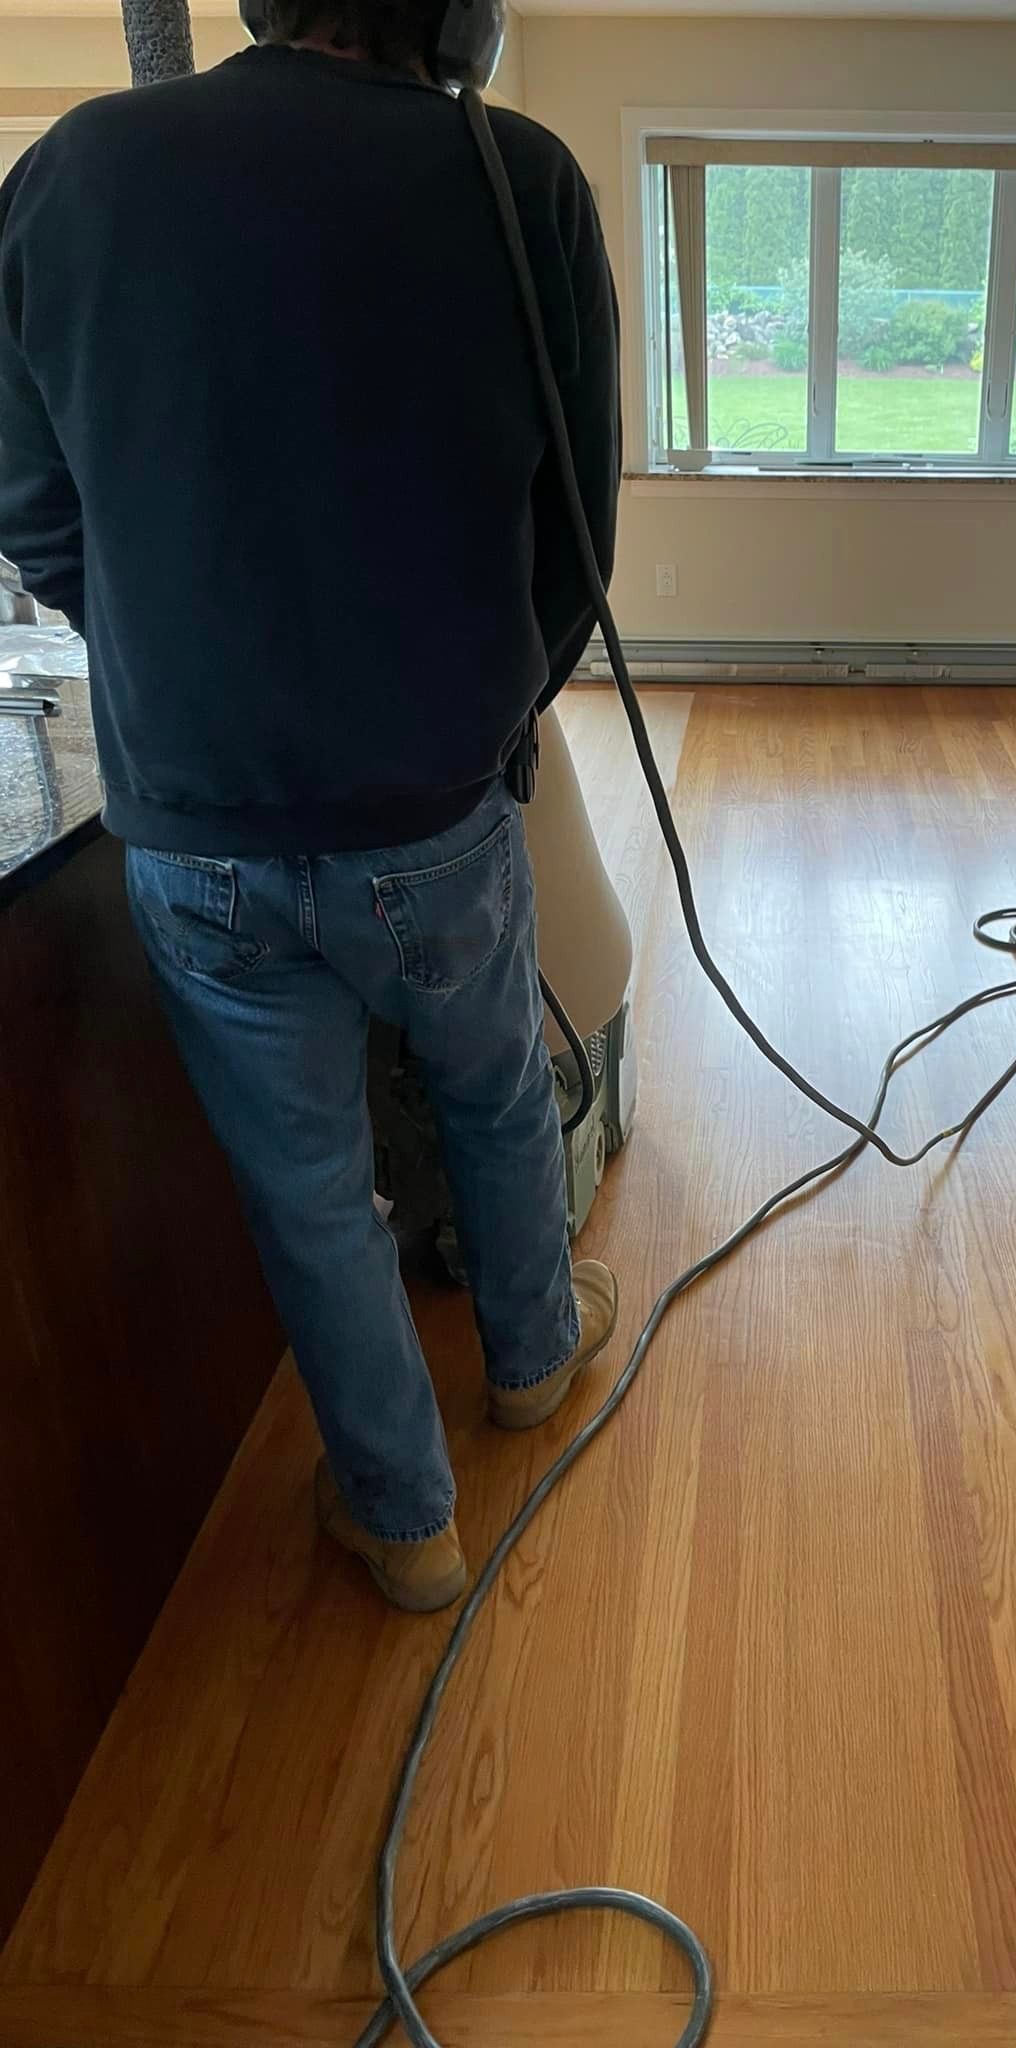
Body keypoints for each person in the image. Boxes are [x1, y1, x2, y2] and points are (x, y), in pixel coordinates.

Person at [0, 0, 623, 1613]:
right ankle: (536, 1360)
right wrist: (494, 712)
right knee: (491, 1091)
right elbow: (578, 547)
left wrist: (158, 653)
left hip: (194, 831)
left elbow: (30, 509)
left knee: (303, 1185)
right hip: (436, 812)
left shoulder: (73, 173)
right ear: (459, 13)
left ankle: (404, 1522)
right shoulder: (517, 178)